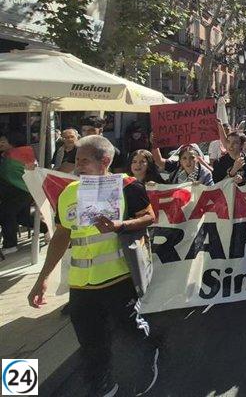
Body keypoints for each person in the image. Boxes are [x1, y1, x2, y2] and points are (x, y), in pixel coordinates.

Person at [27, 135, 159, 396]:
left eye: (84, 161)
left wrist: (121, 225)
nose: (78, 166)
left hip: (118, 278)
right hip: (80, 283)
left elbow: (149, 217)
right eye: (77, 160)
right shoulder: (68, 193)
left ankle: (148, 352)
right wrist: (42, 278)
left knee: (128, 328)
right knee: (90, 341)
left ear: (105, 161)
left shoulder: (128, 186)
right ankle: (103, 384)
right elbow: (62, 235)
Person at [0, 130, 38, 254]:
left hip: (18, 190)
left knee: (6, 214)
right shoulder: (22, 152)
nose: (1, 143)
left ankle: (10, 244)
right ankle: (45, 228)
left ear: (12, 142)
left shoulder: (15, 154)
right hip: (23, 190)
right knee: (21, 217)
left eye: (3, 141)